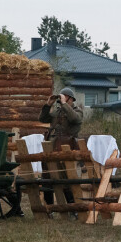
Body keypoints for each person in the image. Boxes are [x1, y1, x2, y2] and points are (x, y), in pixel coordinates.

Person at [38, 87, 83, 218]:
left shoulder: (77, 111)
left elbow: (74, 119)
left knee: (66, 179)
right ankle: (49, 209)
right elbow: (42, 118)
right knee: (46, 177)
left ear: (70, 99)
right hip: (51, 148)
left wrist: (64, 104)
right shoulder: (57, 112)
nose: (60, 100)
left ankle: (73, 209)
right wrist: (48, 105)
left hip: (66, 148)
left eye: (64, 97)